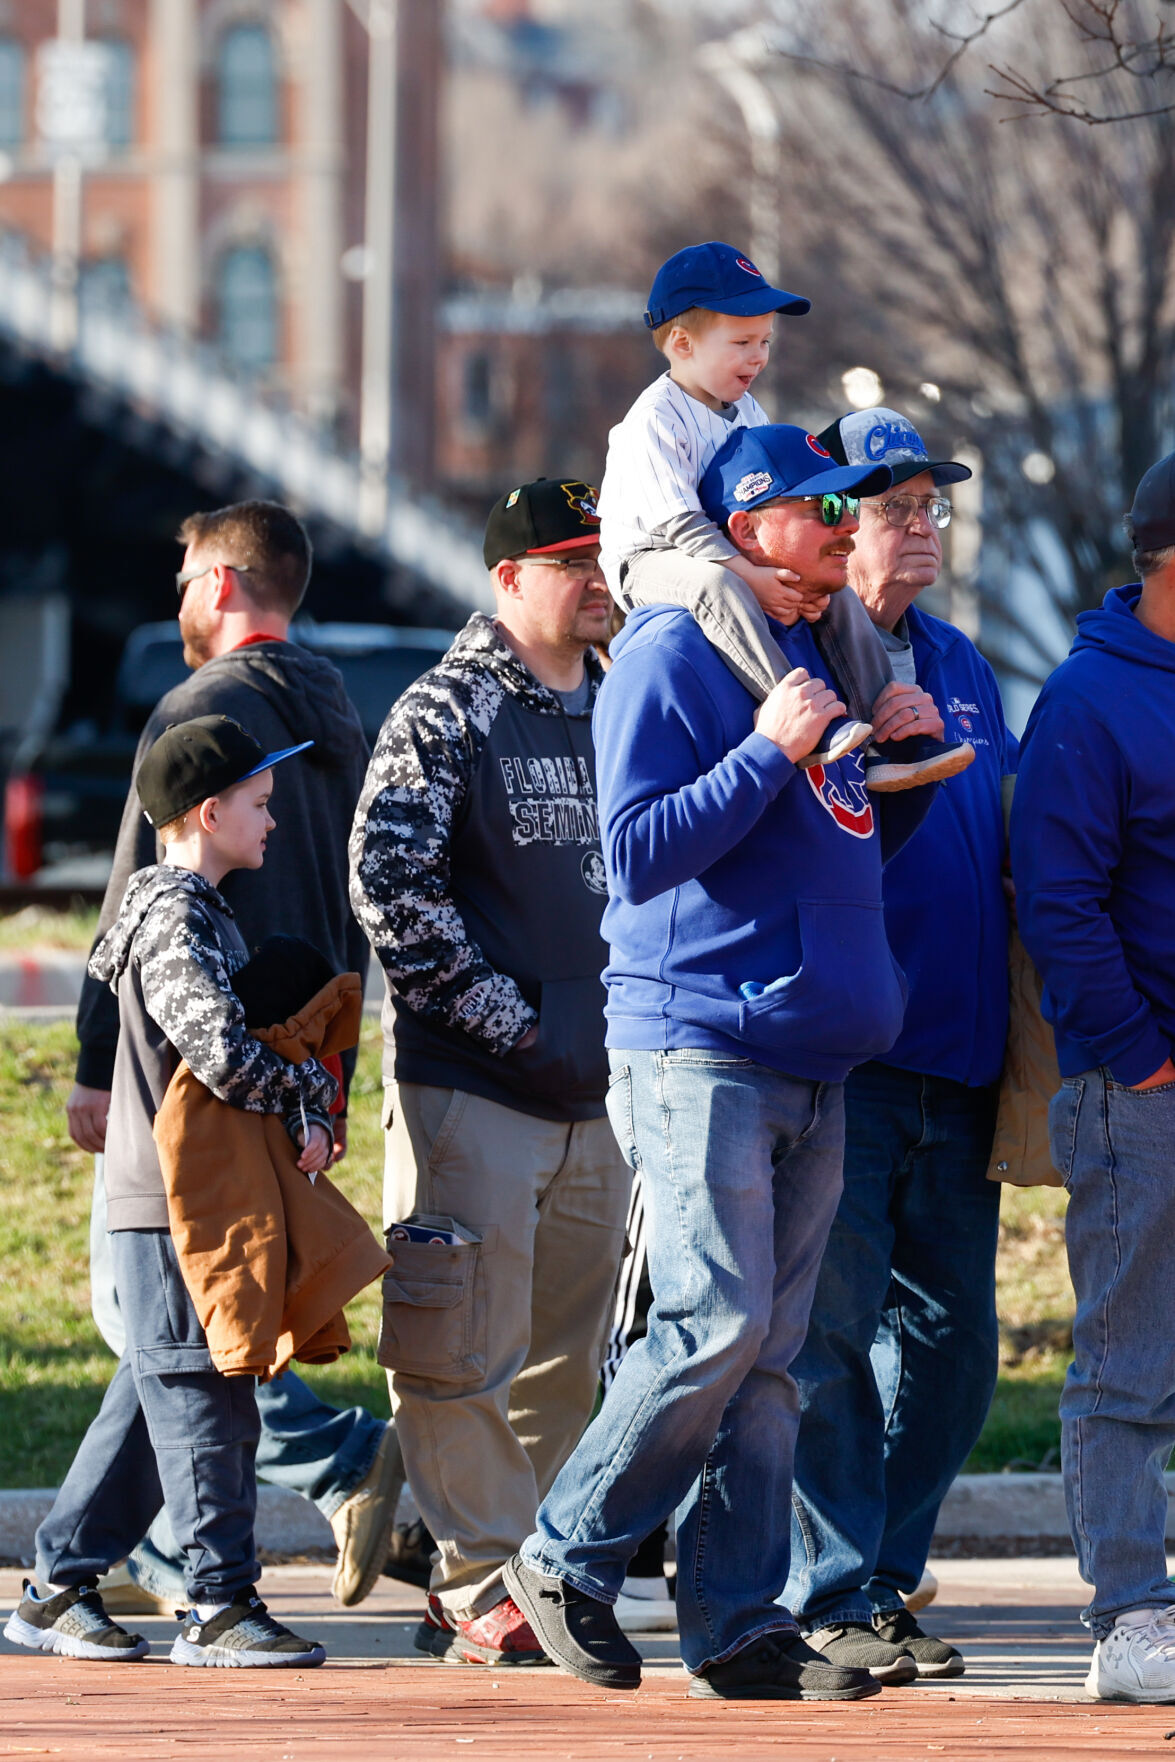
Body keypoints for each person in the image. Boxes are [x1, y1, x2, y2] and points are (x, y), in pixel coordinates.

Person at [504, 425, 940, 1702]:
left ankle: (737, 1619)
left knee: (769, 1356)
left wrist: (892, 775)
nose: (845, 533)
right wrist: (770, 748)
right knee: (715, 1322)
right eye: (824, 513)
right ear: (753, 524)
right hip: (701, 1040)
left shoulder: (805, 653)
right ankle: (562, 1553)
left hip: (810, 1047)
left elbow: (827, 851)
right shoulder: (670, 647)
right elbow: (634, 850)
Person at [66, 501, 400, 1613]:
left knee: (158, 1317)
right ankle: (118, 1562)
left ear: (216, 584)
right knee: (185, 1320)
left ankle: (326, 1471)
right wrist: (329, 1075)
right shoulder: (336, 713)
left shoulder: (199, 711)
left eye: (181, 585)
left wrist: (89, 1060)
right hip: (297, 1052)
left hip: (188, 1074)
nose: (176, 606)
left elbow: (131, 900)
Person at [349, 478, 632, 1667]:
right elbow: (387, 883)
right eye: (571, 560)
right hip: (478, 1089)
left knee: (570, 1357)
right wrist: (507, 1020)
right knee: (458, 1348)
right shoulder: (445, 707)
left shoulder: (620, 700)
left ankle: (528, 1574)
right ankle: (476, 1578)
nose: (597, 577)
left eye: (602, 554)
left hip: (604, 1088)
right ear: (508, 577)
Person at [6, 716, 333, 1667]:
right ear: (206, 810)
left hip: (173, 1195)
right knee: (202, 1394)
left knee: (154, 1400)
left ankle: (57, 1589)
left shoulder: (190, 908)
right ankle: (219, 1607)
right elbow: (222, 1054)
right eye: (260, 805)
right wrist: (306, 1094)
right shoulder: (177, 912)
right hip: (171, 1197)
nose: (273, 822)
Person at [783, 407, 1018, 1682]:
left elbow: (1018, 833)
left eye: (931, 504)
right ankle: (827, 1586)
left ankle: (876, 1570)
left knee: (953, 1349)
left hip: (963, 1061)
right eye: (890, 506)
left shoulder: (964, 661)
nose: (920, 525)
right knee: (827, 1340)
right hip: (851, 1062)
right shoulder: (805, 664)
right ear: (834, 522)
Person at [598, 239, 972, 790]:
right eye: (742, 341)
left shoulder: (746, 408)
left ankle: (884, 737)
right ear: (681, 343)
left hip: (720, 549)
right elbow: (677, 525)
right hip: (648, 558)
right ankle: (795, 714)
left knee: (835, 592)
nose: (758, 357)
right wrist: (751, 575)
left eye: (765, 341)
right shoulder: (655, 418)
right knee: (716, 588)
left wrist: (769, 569)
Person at [1011, 450, 1175, 1704]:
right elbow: (1057, 908)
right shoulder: (1086, 702)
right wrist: (1141, 1055)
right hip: (1139, 1094)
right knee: (1123, 1364)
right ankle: (1127, 1616)